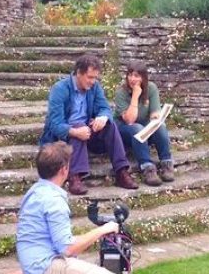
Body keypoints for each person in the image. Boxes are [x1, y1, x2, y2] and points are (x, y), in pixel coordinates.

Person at [16, 141, 129, 274]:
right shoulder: (53, 200)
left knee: (88, 271)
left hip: (39, 273)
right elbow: (68, 249)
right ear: (64, 169)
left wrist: (28, 270)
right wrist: (104, 230)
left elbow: (44, 238)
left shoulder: (35, 192)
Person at [40, 53, 139, 195]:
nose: (93, 81)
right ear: (79, 73)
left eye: (95, 77)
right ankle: (74, 177)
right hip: (63, 137)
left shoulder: (94, 87)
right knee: (79, 127)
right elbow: (54, 124)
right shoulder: (59, 89)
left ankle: (121, 172)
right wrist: (74, 131)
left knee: (110, 126)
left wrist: (103, 117)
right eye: (90, 77)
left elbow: (105, 108)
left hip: (86, 130)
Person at [114, 61, 175, 186]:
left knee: (161, 127)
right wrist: (135, 95)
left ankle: (166, 163)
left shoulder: (151, 88)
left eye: (136, 76)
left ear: (143, 77)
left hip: (145, 130)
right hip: (125, 129)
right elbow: (130, 120)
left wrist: (156, 117)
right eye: (130, 75)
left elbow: (154, 111)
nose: (132, 79)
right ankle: (147, 168)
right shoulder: (121, 92)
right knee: (137, 127)